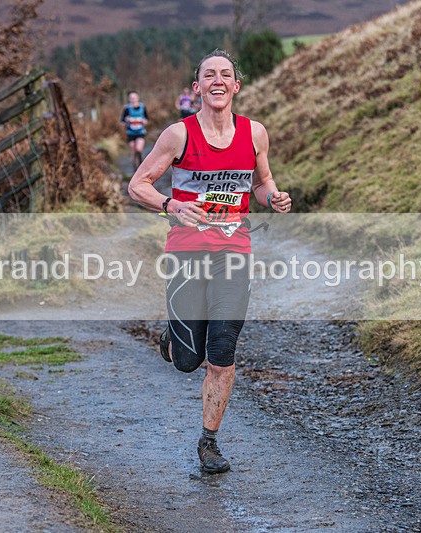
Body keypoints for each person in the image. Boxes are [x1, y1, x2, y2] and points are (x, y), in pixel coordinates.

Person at [128, 49, 292, 474]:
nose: (217, 81)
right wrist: (171, 205)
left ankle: (209, 443)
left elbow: (261, 180)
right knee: (187, 360)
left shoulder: (254, 133)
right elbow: (137, 185)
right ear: (197, 87)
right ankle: (172, 341)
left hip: (234, 252)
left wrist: (271, 196)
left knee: (221, 353)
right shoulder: (178, 136)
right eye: (208, 75)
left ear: (236, 85)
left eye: (226, 75)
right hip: (186, 253)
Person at [121, 91, 149, 170]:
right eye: (131, 98)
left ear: (138, 98)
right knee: (133, 151)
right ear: (129, 99)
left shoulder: (142, 107)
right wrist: (126, 120)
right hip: (130, 132)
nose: (133, 99)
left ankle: (140, 166)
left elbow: (147, 119)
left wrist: (144, 121)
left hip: (140, 132)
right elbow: (122, 122)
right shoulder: (126, 108)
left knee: (139, 149)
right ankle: (135, 168)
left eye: (135, 98)